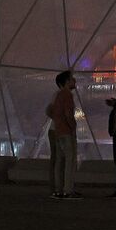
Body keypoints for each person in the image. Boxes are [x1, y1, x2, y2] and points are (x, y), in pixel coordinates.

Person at [50, 71, 82, 200]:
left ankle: (59, 190)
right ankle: (68, 190)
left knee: (59, 161)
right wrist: (72, 126)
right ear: (67, 81)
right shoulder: (67, 95)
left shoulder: (58, 95)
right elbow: (68, 113)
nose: (74, 81)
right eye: (72, 79)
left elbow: (53, 111)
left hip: (58, 132)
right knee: (70, 161)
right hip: (66, 132)